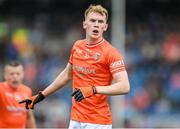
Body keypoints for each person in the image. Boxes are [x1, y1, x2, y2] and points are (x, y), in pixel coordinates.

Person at [19, 4, 130, 129]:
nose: (96, 24)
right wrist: (41, 95)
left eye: (100, 22)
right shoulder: (77, 46)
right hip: (75, 119)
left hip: (98, 122)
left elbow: (125, 86)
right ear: (84, 24)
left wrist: (94, 89)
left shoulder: (111, 52)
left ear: (105, 27)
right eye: (92, 21)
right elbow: (66, 75)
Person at [0, 61, 36, 128]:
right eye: (11, 74)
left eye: (18, 73)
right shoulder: (1, 90)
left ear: (23, 75)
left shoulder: (27, 91)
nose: (15, 76)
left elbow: (29, 117)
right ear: (5, 75)